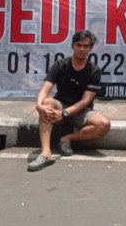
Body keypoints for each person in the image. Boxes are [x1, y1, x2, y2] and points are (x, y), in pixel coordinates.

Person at [28, 30, 111, 172]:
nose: (82, 49)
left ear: (90, 48)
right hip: (60, 105)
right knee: (47, 103)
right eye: (78, 45)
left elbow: (85, 101)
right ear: (72, 46)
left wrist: (65, 113)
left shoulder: (94, 71)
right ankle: (46, 153)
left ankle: (66, 139)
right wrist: (38, 106)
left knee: (104, 124)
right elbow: (45, 90)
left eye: (86, 46)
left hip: (81, 110)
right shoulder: (60, 65)